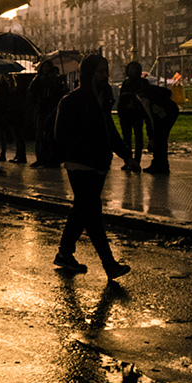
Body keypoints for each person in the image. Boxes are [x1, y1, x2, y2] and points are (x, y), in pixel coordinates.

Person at [53, 54, 138, 279]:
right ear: (89, 73)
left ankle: (64, 253)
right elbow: (61, 136)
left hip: (99, 165)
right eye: (100, 71)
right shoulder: (72, 101)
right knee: (92, 214)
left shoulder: (103, 99)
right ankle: (109, 264)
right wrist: (84, 149)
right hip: (80, 166)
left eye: (105, 71)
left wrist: (126, 156)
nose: (104, 76)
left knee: (81, 211)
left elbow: (109, 129)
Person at [117, 61, 147, 171]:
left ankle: (135, 160)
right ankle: (129, 160)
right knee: (128, 139)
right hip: (127, 114)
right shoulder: (127, 83)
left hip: (136, 113)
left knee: (137, 137)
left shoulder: (141, 83)